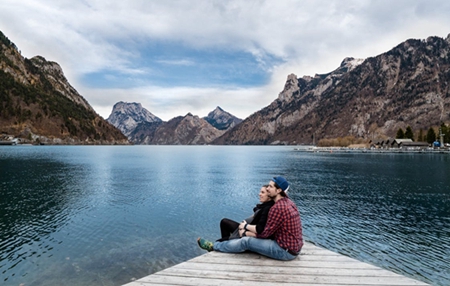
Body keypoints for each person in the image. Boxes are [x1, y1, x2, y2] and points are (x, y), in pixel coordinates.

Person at [197, 176, 303, 261]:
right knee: (244, 237)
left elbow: (264, 233)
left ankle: (213, 246)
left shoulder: (278, 207)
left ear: (279, 190)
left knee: (246, 242)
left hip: (284, 251)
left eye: (270, 186)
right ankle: (222, 246)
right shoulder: (289, 202)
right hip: (293, 247)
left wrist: (245, 232)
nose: (267, 188)